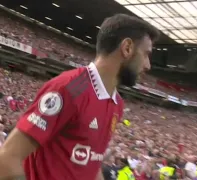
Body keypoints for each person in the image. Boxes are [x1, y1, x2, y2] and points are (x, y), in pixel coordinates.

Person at [0, 14, 159, 180]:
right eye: (146, 54)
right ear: (127, 48)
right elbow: (8, 157)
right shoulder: (70, 88)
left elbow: (92, 165)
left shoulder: (117, 103)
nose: (148, 65)